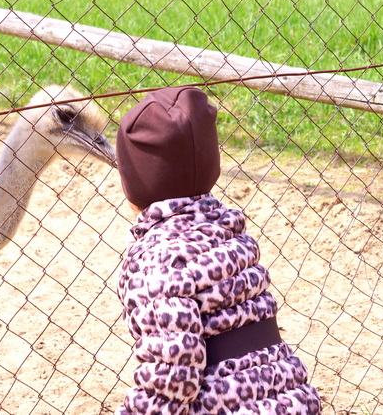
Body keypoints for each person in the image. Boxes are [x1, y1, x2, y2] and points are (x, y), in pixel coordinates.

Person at [114, 86, 321, 415]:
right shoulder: (229, 231)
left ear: (135, 182)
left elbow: (172, 378)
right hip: (292, 399)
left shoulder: (158, 257)